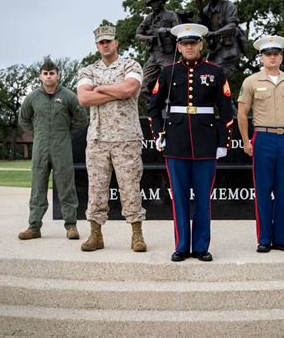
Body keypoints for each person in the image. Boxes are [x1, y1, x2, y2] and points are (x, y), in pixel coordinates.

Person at [148, 23, 234, 262]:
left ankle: (201, 247)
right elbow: (153, 107)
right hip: (175, 142)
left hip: (206, 142)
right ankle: (182, 245)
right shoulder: (167, 72)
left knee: (203, 199)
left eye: (193, 43)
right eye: (185, 43)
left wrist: (223, 141)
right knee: (180, 197)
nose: (189, 47)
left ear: (201, 44)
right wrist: (158, 134)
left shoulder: (216, 72)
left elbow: (226, 108)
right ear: (178, 46)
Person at [76, 21, 147, 253]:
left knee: (130, 188)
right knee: (96, 189)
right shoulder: (88, 70)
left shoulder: (130, 65)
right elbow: (84, 99)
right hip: (97, 139)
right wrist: (113, 91)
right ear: (97, 45)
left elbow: (129, 90)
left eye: (108, 41)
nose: (105, 45)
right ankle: (96, 235)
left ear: (116, 42)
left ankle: (137, 234)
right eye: (101, 42)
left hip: (126, 138)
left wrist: (99, 90)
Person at [237, 35, 284, 253]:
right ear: (261, 58)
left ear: (281, 57)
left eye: (276, 54)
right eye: (268, 54)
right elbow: (242, 112)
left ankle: (282, 238)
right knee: (263, 190)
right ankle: (264, 238)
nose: (272, 57)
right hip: (262, 137)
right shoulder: (251, 81)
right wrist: (246, 141)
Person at [18, 59, 88, 240]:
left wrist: (66, 131)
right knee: (37, 186)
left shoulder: (68, 96)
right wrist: (37, 132)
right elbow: (23, 119)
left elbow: (82, 118)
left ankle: (71, 226)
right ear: (40, 76)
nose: (49, 76)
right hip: (40, 147)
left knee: (66, 185)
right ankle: (34, 226)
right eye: (45, 73)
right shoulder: (33, 97)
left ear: (58, 75)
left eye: (52, 73)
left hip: (62, 146)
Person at [135, 0, 181, 107]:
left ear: (162, 1)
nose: (154, 4)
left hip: (168, 54)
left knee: (173, 81)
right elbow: (138, 34)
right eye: (152, 3)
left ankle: (175, 105)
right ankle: (154, 106)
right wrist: (149, 37)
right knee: (143, 84)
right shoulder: (149, 18)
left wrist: (164, 31)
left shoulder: (171, 15)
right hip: (153, 55)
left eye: (157, 1)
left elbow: (179, 31)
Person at [200, 0, 243, 80]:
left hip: (229, 49)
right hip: (214, 50)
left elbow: (232, 26)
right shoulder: (205, 11)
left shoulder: (229, 6)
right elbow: (202, 29)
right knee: (208, 78)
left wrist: (214, 33)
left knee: (222, 76)